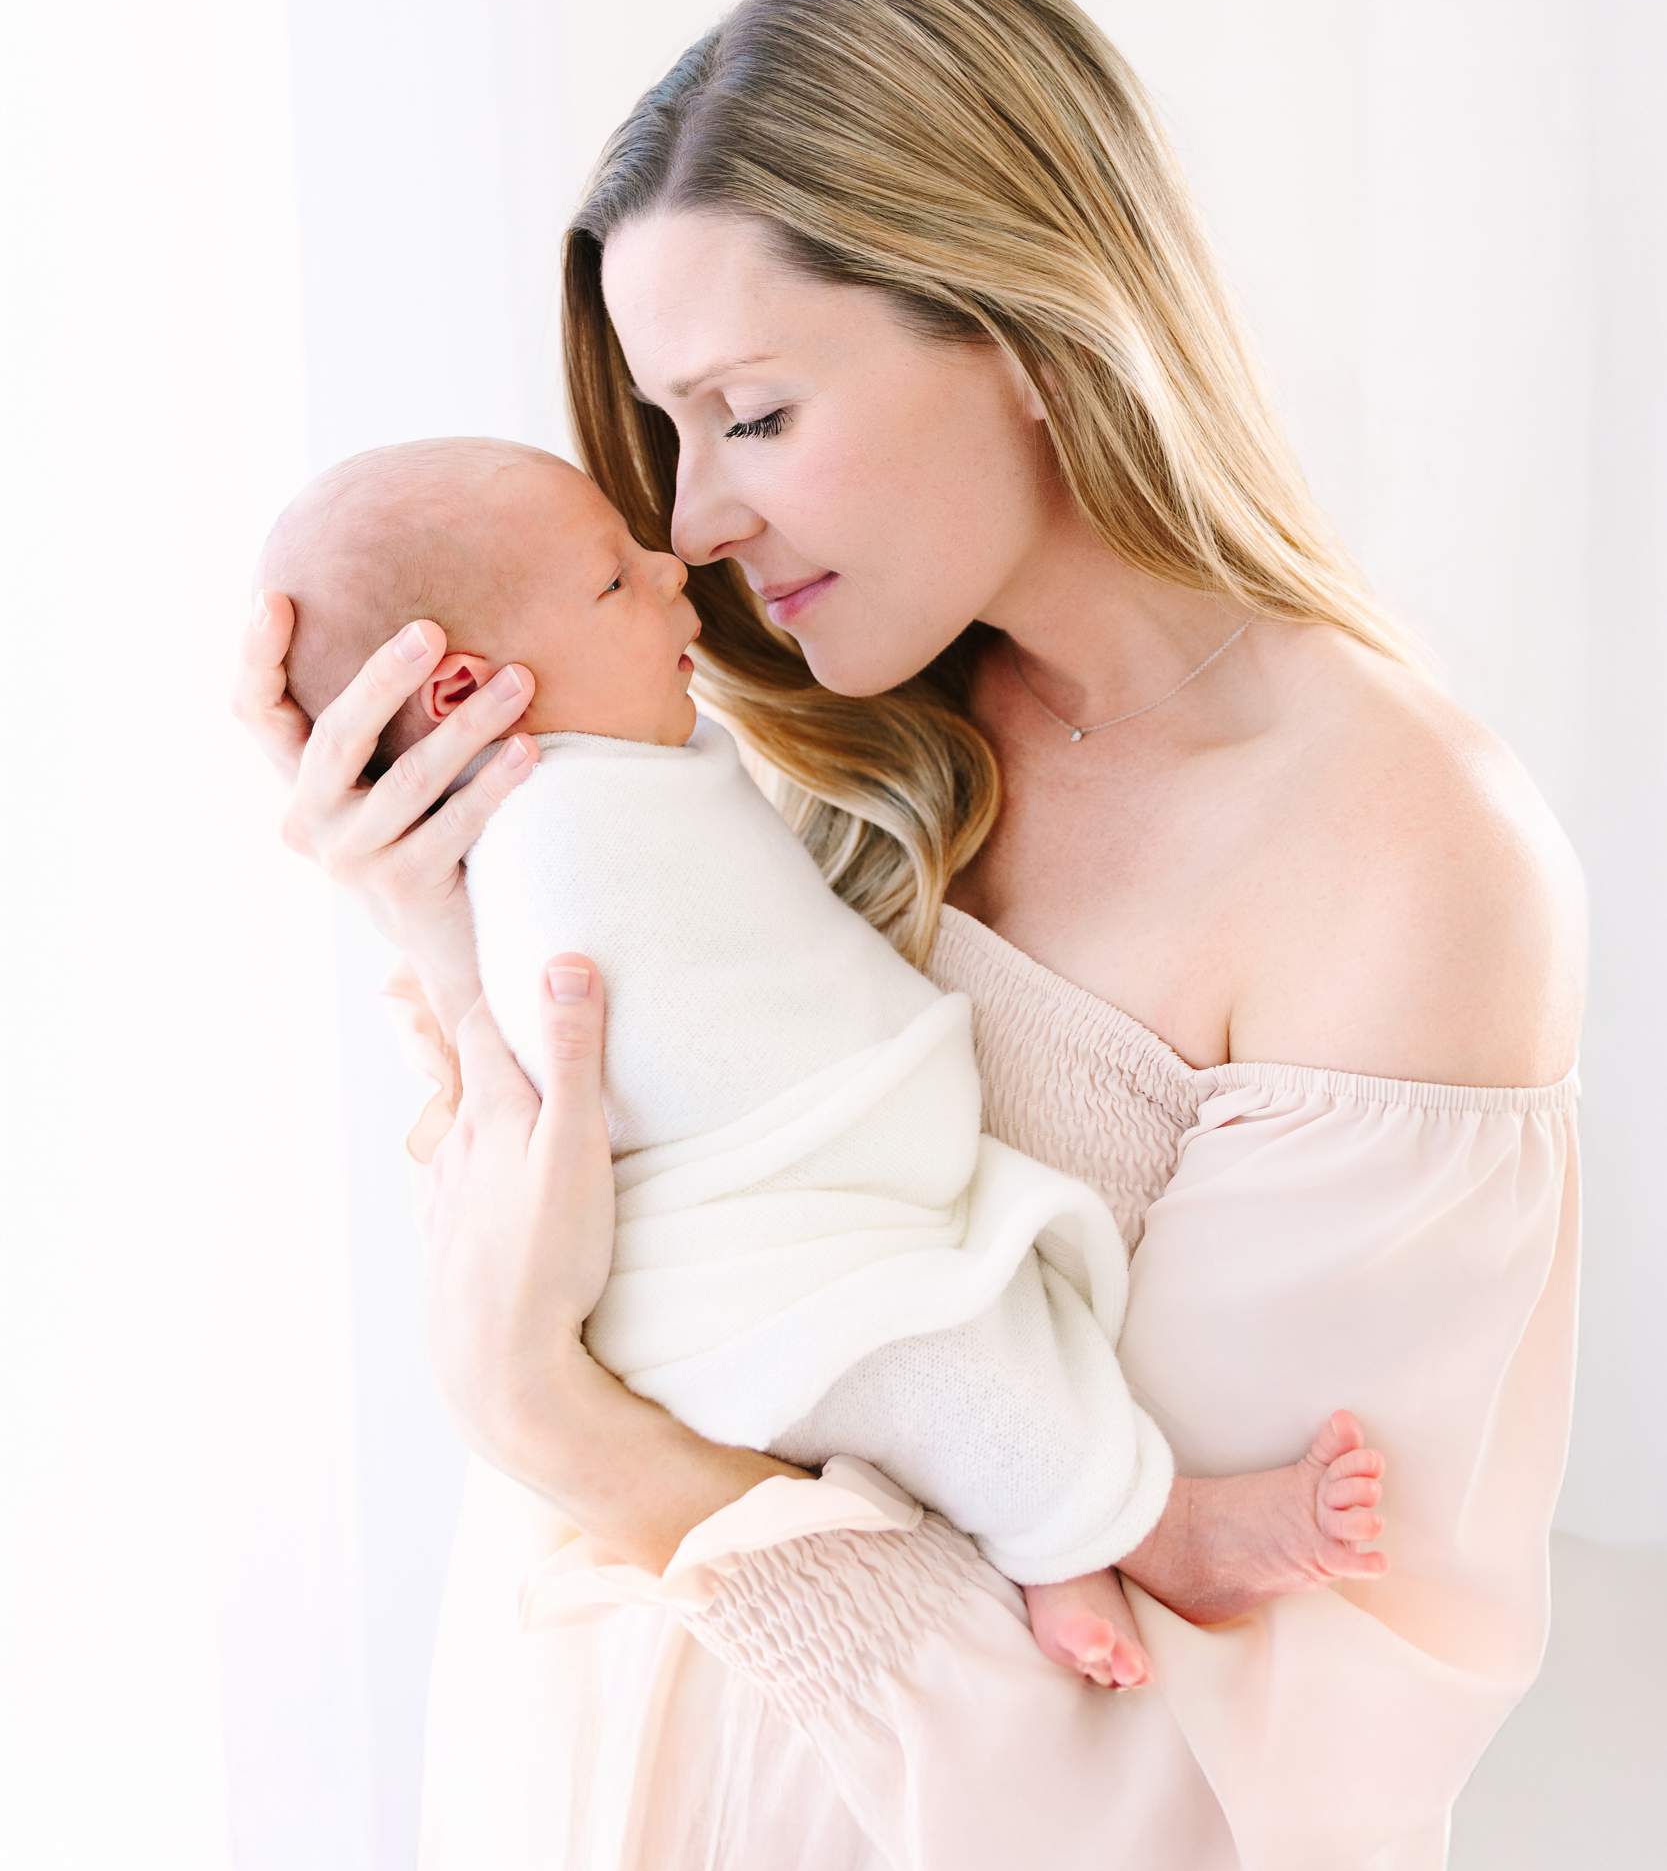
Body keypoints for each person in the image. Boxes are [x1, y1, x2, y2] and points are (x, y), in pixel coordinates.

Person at [234, 0, 1585, 1871]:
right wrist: (437, 920)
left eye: (751, 412)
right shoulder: (807, 744)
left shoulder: (1398, 859)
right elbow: (666, 1230)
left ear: (1025, 327)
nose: (686, 524)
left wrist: (566, 1430)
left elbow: (1230, 1797)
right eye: (663, 431)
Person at [255, 433, 1392, 1694]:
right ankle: (1160, 1532)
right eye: (613, 584)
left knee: (986, 1323)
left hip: (815, 1222)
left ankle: (1056, 1550)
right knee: (933, 1361)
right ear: (467, 694)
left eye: (753, 415)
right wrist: (427, 924)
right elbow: (569, 1068)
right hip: (723, 1264)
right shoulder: (547, 835)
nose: (675, 560)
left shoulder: (645, 766)